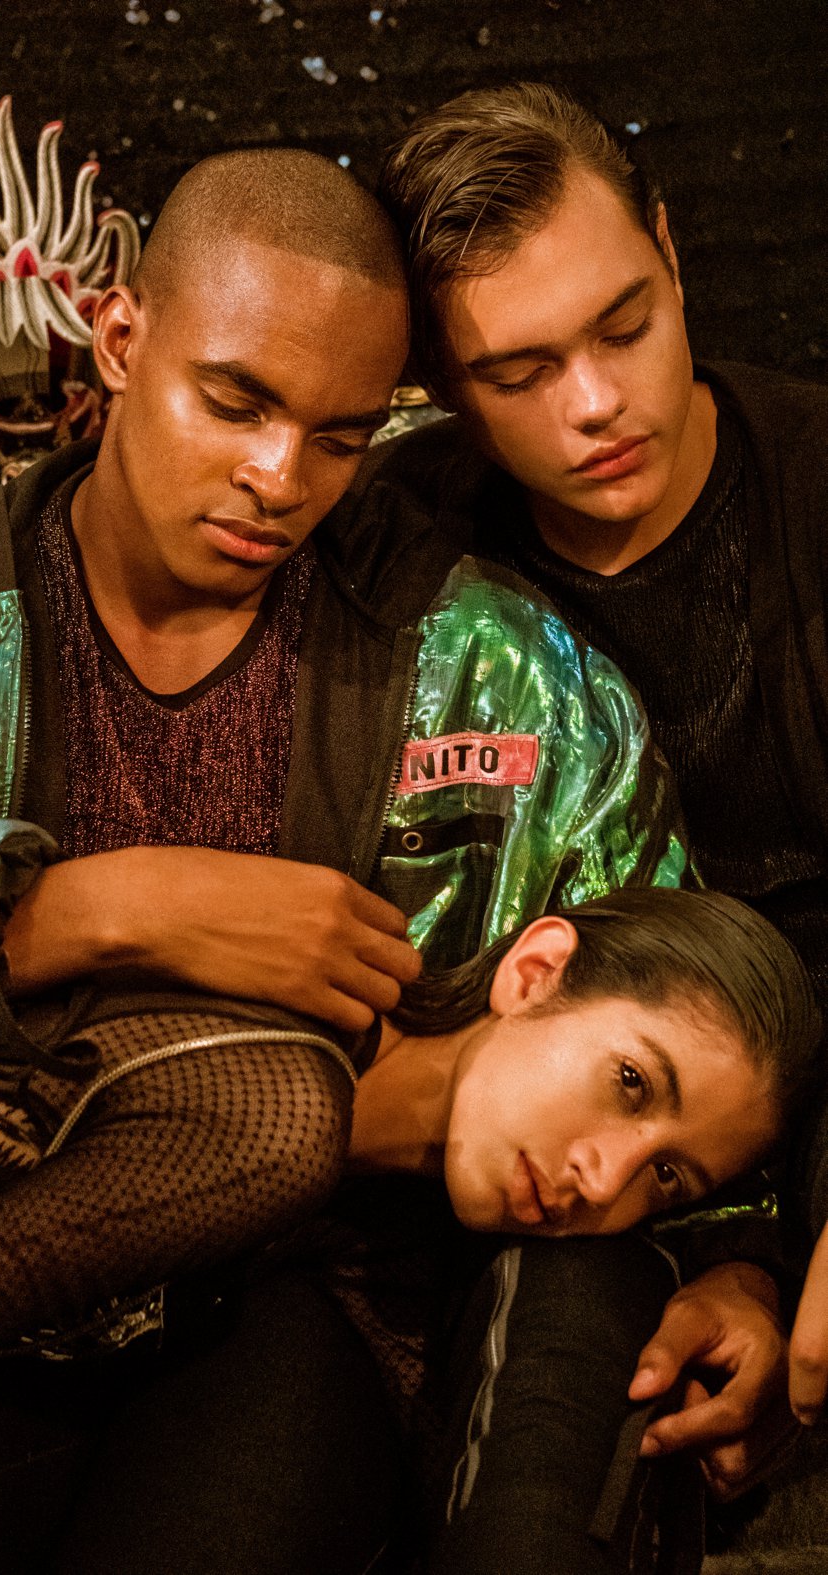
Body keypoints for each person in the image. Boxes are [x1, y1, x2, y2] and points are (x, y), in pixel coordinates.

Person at [0, 137, 693, 1575]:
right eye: (235, 402)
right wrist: (92, 907)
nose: (279, 477)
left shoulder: (503, 680)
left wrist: (740, 1259)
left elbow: (673, 1004)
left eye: (340, 435)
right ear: (119, 337)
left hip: (287, 1315)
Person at [358, 76, 828, 1525]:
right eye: (519, 371)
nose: (596, 403)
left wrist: (762, 1251)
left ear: (672, 255)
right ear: (439, 383)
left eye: (624, 325)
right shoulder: (394, 549)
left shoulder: (814, 493)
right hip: (470, 1164)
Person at [0, 885, 815, 1431]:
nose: (605, 1177)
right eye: (630, 1082)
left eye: (667, 1175)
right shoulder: (282, 1108)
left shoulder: (362, 1242)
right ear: (535, 972)